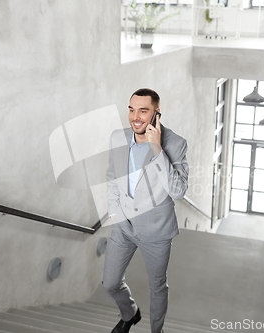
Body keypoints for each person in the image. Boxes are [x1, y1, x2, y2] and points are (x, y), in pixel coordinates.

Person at [102, 88, 189, 333]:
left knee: (157, 286)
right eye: (131, 110)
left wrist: (156, 148)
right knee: (109, 283)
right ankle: (129, 314)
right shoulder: (117, 138)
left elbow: (178, 191)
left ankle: (156, 331)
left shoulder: (176, 143)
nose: (135, 117)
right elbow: (111, 177)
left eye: (143, 110)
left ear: (156, 114)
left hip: (156, 230)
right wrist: (114, 214)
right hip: (123, 224)